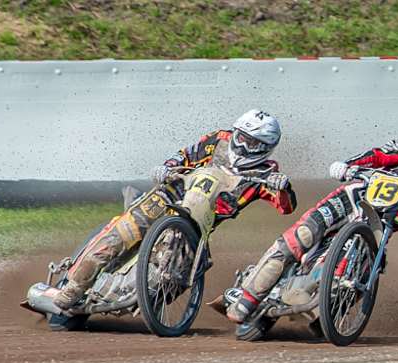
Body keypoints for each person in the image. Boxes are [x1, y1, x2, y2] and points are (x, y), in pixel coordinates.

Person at [226, 120, 398, 335]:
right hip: (354, 195)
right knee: (303, 234)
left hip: (380, 228)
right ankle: (248, 296)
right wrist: (350, 166)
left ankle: (327, 308)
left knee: (360, 272)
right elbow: (380, 154)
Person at [53, 110, 296, 310]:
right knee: (118, 235)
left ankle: (143, 302)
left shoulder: (267, 173)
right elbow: (185, 156)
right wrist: (166, 167)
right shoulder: (218, 139)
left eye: (251, 142)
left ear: (266, 147)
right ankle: (72, 287)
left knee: (181, 274)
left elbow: (286, 207)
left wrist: (283, 187)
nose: (242, 144)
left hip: (199, 227)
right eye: (241, 137)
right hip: (168, 196)